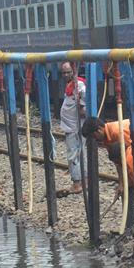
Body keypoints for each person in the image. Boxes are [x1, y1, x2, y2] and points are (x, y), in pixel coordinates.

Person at [57, 62, 86, 196]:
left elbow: (83, 105)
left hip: (75, 127)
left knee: (74, 154)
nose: (66, 75)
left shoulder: (78, 85)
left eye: (69, 72)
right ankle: (82, 180)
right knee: (78, 154)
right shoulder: (71, 86)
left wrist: (81, 106)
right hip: (71, 126)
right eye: (64, 72)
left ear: (74, 71)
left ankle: (77, 183)